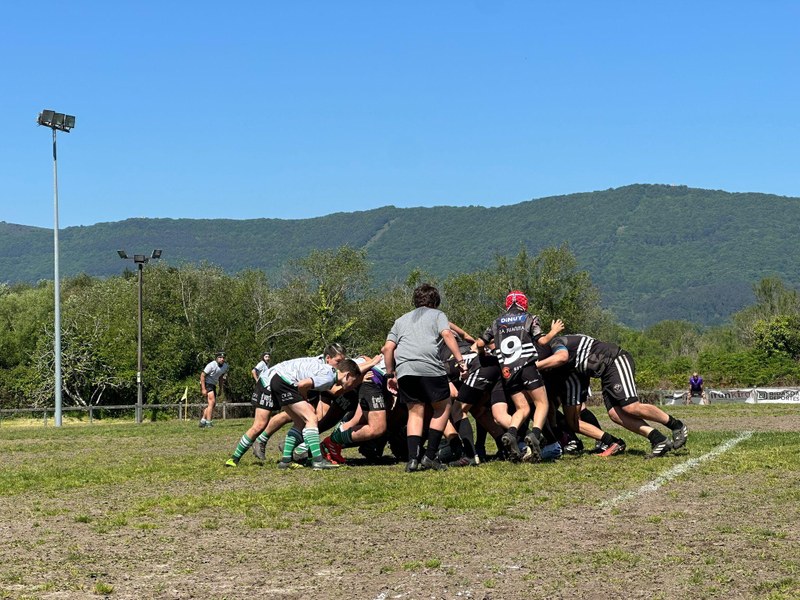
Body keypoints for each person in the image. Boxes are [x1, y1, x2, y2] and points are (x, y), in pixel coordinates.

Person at [533, 333, 688, 458]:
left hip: (614, 360)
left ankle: (677, 426)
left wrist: (535, 366)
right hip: (603, 372)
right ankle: (658, 439)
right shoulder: (555, 350)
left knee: (631, 406)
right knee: (615, 414)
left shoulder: (556, 342)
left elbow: (561, 357)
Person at [382, 283, 469, 472]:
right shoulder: (437, 315)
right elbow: (447, 334)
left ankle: (413, 460)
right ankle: (429, 457)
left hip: (405, 369)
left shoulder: (400, 320)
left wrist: (390, 374)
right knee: (443, 406)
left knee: (415, 412)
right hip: (430, 366)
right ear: (435, 301)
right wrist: (461, 362)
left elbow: (388, 348)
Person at [475, 291, 559, 463]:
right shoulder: (529, 318)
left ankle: (512, 433)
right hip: (527, 366)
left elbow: (479, 343)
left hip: (508, 371)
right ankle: (535, 434)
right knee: (541, 403)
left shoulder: (496, 322)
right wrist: (553, 331)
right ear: (524, 303)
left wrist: (483, 353)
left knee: (522, 408)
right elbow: (542, 341)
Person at [270, 353, 362, 470]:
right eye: (354, 381)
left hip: (278, 380)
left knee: (299, 422)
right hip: (286, 382)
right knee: (311, 419)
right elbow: (303, 384)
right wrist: (305, 400)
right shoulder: (329, 377)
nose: (353, 386)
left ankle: (285, 461)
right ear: (348, 375)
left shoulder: (329, 371)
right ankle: (318, 461)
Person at [199, 352, 229, 428]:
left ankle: (203, 421)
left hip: (213, 385)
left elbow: (221, 377)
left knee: (212, 405)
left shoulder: (225, 366)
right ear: (216, 358)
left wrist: (220, 389)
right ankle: (208, 422)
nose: (222, 359)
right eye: (220, 357)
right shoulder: (211, 365)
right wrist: (203, 389)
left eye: (223, 358)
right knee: (212, 402)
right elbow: (202, 375)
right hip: (207, 383)